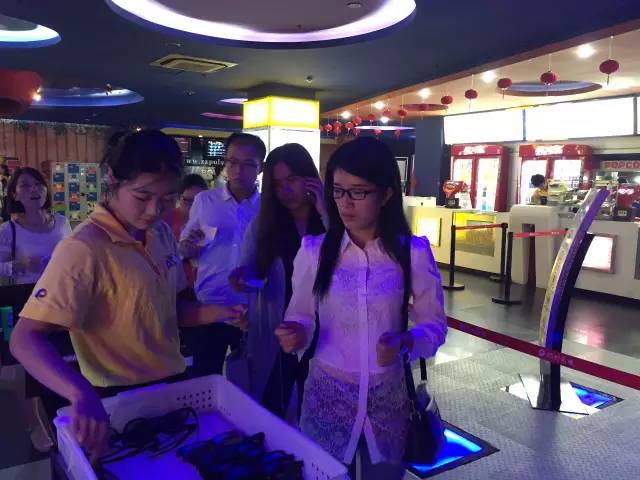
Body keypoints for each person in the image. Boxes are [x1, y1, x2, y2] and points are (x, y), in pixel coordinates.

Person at [9, 130, 245, 462]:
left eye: (167, 198)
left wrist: (223, 313)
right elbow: (24, 339)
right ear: (112, 179)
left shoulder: (160, 232)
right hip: (115, 396)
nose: (154, 210)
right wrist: (79, 393)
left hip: (173, 385)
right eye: (142, 196)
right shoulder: (83, 248)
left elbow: (173, 309)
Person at [276, 137, 447, 479]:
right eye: (338, 191)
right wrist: (295, 334)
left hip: (388, 403)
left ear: (386, 194)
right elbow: (301, 316)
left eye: (358, 192)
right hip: (327, 397)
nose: (345, 203)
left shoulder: (411, 253)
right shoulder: (314, 251)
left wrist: (407, 342)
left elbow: (434, 326)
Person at [229, 143, 327, 418]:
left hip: (325, 329)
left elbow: (346, 257)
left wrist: (325, 210)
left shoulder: (329, 219)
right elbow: (246, 270)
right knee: (272, 405)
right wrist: (241, 279)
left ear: (309, 177)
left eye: (292, 180)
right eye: (277, 184)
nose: (286, 190)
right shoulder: (264, 225)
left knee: (318, 407)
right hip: (277, 328)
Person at [179, 133, 266, 377]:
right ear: (225, 162)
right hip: (210, 305)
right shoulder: (205, 200)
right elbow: (186, 246)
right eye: (233, 162)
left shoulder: (267, 207)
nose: (238, 170)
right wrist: (188, 247)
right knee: (204, 376)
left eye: (248, 164)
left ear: (260, 168)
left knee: (250, 378)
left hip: (250, 309)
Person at [0, 167, 71, 285]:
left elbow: (73, 256)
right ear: (14, 195)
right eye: (25, 185)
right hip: (29, 293)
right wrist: (18, 265)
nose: (34, 189)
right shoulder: (8, 229)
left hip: (63, 290)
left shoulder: (62, 222)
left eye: (38, 184)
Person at [165, 174, 208, 288]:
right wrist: (180, 253)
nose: (194, 205)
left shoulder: (213, 223)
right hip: (174, 287)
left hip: (205, 286)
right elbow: (160, 262)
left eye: (199, 201)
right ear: (178, 198)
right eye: (188, 200)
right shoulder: (164, 222)